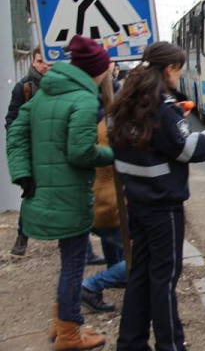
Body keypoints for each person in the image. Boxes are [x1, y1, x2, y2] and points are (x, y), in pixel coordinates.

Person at [109, 42, 205, 351]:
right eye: (179, 71)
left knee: (139, 275)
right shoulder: (162, 107)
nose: (179, 77)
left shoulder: (124, 101)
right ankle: (171, 345)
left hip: (137, 201)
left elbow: (142, 142)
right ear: (169, 70)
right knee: (164, 279)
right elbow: (190, 149)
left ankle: (130, 343)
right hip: (163, 207)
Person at [6, 35, 114, 350]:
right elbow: (81, 152)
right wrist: (113, 154)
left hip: (47, 193)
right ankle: (68, 333)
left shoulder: (46, 92)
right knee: (73, 264)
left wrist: (22, 173)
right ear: (97, 70)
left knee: (70, 261)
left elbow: (16, 132)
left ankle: (63, 322)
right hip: (70, 196)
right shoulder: (82, 99)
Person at [82, 70, 126, 314]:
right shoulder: (106, 121)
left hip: (96, 196)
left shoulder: (87, 115)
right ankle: (90, 286)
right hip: (110, 196)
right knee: (142, 255)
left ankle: (114, 273)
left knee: (113, 239)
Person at [5, 46, 50, 256]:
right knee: (30, 193)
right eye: (41, 61)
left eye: (48, 62)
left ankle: (74, 243)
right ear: (34, 62)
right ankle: (22, 237)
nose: (45, 66)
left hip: (54, 149)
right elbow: (11, 122)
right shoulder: (24, 87)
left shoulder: (62, 86)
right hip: (33, 150)